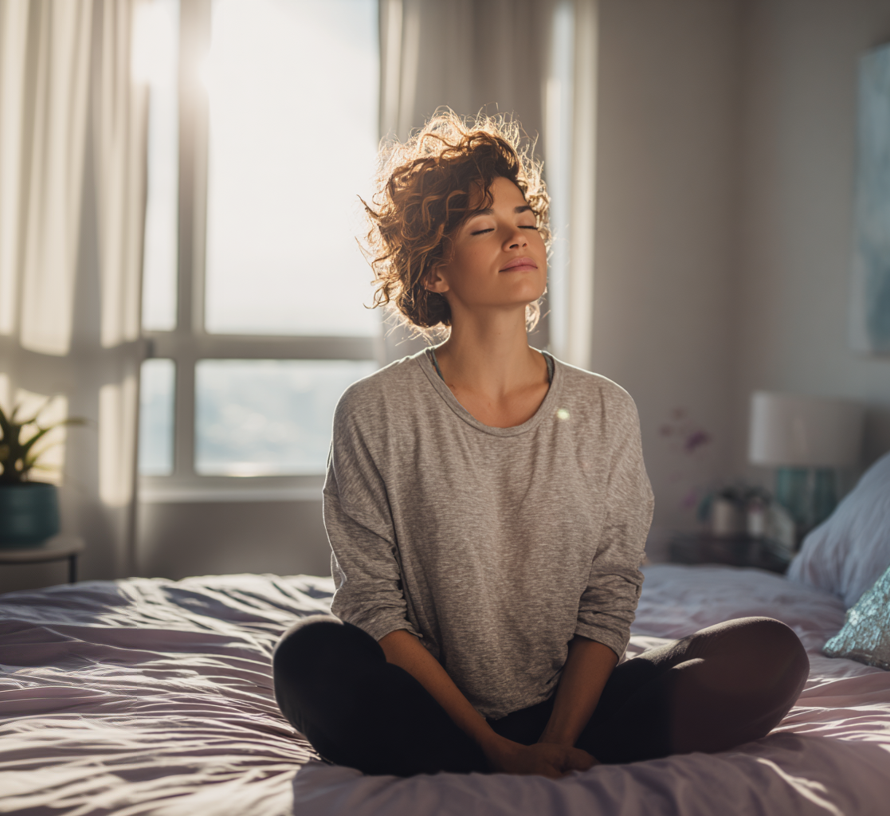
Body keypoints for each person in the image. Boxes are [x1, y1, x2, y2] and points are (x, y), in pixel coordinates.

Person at [271, 111, 808, 778]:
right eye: (483, 228)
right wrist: (496, 749)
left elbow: (609, 598)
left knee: (772, 651)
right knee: (307, 655)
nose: (517, 237)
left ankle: (500, 758)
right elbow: (373, 607)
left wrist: (552, 739)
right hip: (430, 705)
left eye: (525, 220)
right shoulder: (375, 411)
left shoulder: (605, 409)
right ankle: (473, 759)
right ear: (435, 272)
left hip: (576, 707)